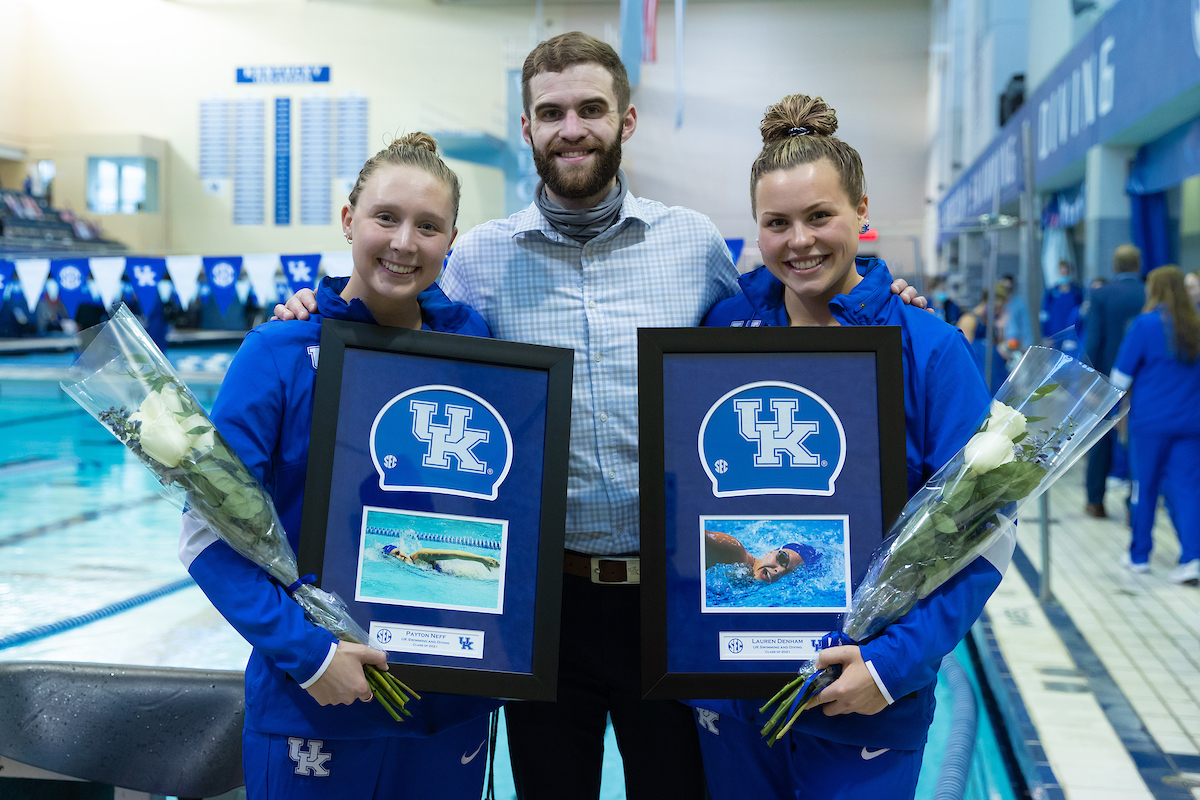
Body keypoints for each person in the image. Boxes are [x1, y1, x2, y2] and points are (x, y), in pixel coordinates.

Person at [274, 32, 928, 800]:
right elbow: (402, 327)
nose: (571, 128)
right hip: (543, 602)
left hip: (676, 595)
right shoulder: (477, 258)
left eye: (591, 108)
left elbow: (775, 323)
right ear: (528, 128)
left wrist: (885, 298)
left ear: (627, 120)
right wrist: (315, 307)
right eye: (551, 112)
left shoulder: (689, 244)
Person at [695, 94, 1004, 800]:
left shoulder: (929, 350)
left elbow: (984, 533)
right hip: (734, 693)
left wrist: (893, 665)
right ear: (757, 229)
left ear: (862, 211)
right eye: (777, 223)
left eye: (820, 216)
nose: (799, 240)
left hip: (864, 691)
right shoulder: (722, 328)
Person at [178, 133, 499, 799]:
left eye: (428, 226)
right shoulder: (275, 354)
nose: (404, 243)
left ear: (452, 240)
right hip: (313, 701)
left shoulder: (479, 353)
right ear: (349, 218)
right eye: (386, 217)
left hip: (450, 703)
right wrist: (311, 655)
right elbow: (207, 538)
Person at [1110, 266, 1200, 583]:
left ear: (1154, 289)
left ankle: (1139, 555)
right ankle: (1192, 557)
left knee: (1144, 487)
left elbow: (1120, 377)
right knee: (1188, 490)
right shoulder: (1196, 325)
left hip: (1149, 424)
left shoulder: (1145, 325)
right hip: (1191, 424)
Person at [1083, 244, 1145, 518]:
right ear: (1138, 264)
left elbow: (1094, 340)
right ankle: (1135, 502)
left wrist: (1090, 381)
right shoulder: (1149, 292)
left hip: (1107, 375)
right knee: (1137, 439)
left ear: (1114, 266)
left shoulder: (1101, 295)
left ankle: (1096, 500)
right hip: (1144, 379)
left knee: (1100, 437)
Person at [704, 530, 820, 583]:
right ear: (770, 552)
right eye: (782, 558)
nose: (778, 570)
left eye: (788, 573)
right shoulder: (733, 552)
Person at [955, 284, 1010, 391]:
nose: (998, 311)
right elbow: (963, 356)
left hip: (995, 380)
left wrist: (1001, 329)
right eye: (996, 307)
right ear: (987, 303)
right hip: (977, 382)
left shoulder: (992, 323)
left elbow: (1000, 349)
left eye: (1000, 308)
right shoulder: (969, 321)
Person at [1041, 259, 1083, 346]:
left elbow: (1081, 313)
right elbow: (1044, 315)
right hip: (1055, 334)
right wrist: (1046, 334)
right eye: (1062, 272)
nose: (1064, 275)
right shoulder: (1052, 292)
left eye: (1066, 272)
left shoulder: (1077, 292)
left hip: (1072, 334)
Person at [383, 543, 501, 571]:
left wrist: (481, 559)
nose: (400, 557)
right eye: (394, 557)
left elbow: (454, 554)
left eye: (398, 552)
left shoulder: (422, 555)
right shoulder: (405, 568)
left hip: (460, 573)